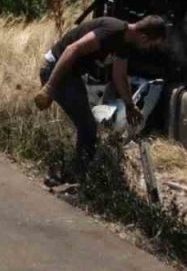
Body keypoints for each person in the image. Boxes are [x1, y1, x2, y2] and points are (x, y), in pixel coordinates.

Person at [34, 15, 168, 177]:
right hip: (56, 70)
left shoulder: (124, 43)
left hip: (71, 75)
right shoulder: (112, 31)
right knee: (88, 127)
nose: (148, 49)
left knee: (87, 126)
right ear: (144, 37)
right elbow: (72, 49)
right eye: (151, 45)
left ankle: (75, 174)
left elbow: (119, 75)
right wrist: (50, 87)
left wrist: (130, 106)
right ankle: (78, 179)